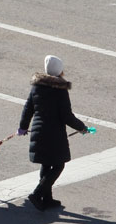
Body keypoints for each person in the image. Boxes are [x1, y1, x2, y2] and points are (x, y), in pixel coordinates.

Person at [18, 55, 87, 211]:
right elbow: (66, 116)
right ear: (60, 71)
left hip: (39, 131)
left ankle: (46, 198)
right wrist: (82, 127)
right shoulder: (60, 90)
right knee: (58, 165)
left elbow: (28, 108)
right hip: (54, 133)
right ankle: (37, 194)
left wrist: (23, 127)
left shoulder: (37, 86)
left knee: (46, 164)